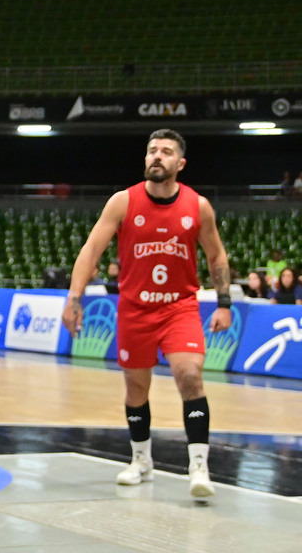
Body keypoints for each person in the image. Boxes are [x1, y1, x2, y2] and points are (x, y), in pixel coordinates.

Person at [62, 129, 231, 501]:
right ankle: (141, 460)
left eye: (167, 152)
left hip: (179, 308)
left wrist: (223, 302)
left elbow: (216, 255)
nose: (157, 156)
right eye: (152, 150)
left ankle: (199, 465)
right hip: (135, 309)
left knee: (189, 375)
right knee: (136, 388)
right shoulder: (123, 202)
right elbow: (91, 251)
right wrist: (73, 298)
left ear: (180, 164)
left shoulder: (198, 206)